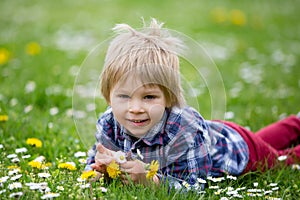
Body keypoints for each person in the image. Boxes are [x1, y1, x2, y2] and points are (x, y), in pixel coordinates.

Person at [85, 18, 300, 190]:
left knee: (282, 161)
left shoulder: (183, 130)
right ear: (108, 96)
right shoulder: (108, 122)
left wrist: (153, 182)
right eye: (123, 97)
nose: (135, 108)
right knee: (265, 138)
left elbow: (194, 186)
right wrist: (97, 170)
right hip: (216, 135)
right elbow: (97, 155)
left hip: (240, 150)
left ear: (169, 98)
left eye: (149, 97)